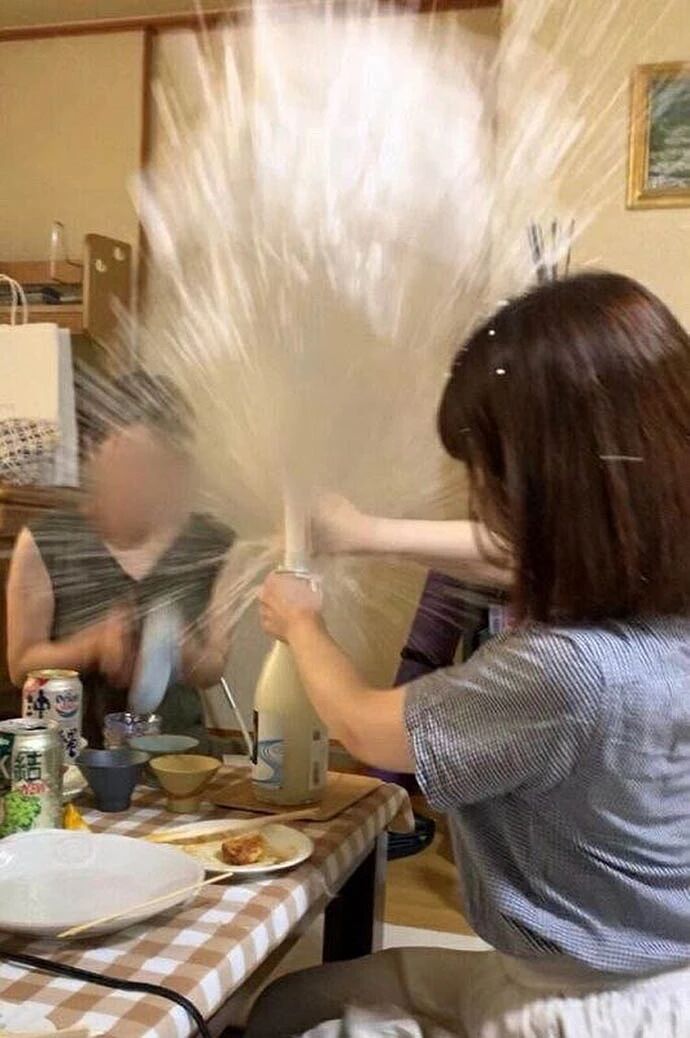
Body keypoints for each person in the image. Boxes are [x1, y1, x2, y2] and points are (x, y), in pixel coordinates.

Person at [249, 272, 690, 1038]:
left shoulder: (563, 671)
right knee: (293, 1001)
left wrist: (302, 626)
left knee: (302, 1021)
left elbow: (365, 727)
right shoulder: (661, 593)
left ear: (544, 485)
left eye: (480, 470)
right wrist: (364, 534)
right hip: (648, 972)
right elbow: (521, 552)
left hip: (580, 1008)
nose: (475, 492)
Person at [6, 370, 234, 748]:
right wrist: (90, 646)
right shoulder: (46, 541)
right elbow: (21, 665)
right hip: (73, 759)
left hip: (180, 761)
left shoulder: (213, 544)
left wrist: (177, 645)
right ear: (95, 454)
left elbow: (213, 667)